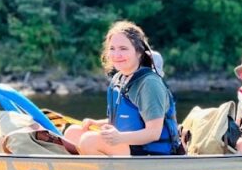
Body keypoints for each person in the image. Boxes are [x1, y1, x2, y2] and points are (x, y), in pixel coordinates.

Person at [63, 21, 183, 156]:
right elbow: (124, 121)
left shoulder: (149, 84)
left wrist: (119, 138)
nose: (116, 54)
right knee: (72, 133)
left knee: (88, 141)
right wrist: (97, 123)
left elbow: (153, 133)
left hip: (149, 153)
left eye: (123, 48)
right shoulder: (118, 79)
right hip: (128, 145)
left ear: (139, 52)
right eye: (112, 49)